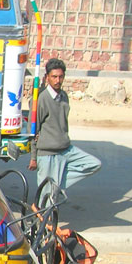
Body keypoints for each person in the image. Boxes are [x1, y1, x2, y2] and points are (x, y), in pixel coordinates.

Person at [28, 58, 101, 204]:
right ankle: (44, 224)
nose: (57, 80)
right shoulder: (41, 100)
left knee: (94, 164)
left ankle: (58, 185)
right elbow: (33, 130)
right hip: (48, 154)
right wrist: (34, 157)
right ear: (47, 77)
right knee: (47, 199)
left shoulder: (64, 97)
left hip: (66, 150)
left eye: (60, 77)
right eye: (54, 77)